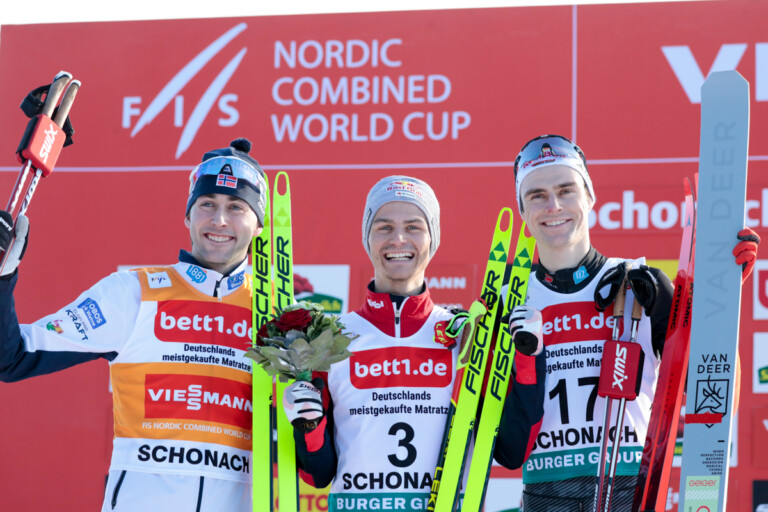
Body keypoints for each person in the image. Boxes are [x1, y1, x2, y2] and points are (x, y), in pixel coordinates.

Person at [0, 138, 266, 512]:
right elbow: (11, 357)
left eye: (236, 207)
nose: (219, 220)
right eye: (207, 204)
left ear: (259, 226)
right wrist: (1, 279)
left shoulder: (277, 315)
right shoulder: (132, 294)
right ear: (188, 216)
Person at [498, 134, 760, 511]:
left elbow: (714, 396)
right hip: (545, 493)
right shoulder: (507, 301)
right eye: (536, 195)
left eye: (566, 189)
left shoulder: (643, 283)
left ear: (590, 196)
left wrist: (716, 305)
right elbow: (509, 449)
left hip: (631, 489)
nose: (553, 205)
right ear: (522, 212)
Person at [281, 175, 547, 511]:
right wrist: (308, 425)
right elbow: (317, 474)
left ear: (432, 238)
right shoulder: (329, 339)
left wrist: (529, 357)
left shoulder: (466, 336)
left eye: (414, 227)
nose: (398, 239)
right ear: (367, 237)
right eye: (384, 227)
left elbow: (513, 451)